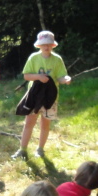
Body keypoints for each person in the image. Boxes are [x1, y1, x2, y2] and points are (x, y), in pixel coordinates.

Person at [11, 30, 72, 159]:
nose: (46, 47)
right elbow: (26, 76)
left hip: (50, 97)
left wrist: (66, 79)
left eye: (49, 44)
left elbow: (61, 76)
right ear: (39, 45)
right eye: (44, 44)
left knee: (45, 124)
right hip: (34, 96)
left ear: (53, 45)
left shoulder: (57, 60)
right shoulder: (33, 58)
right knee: (29, 123)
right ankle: (22, 150)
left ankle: (40, 149)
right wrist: (39, 77)